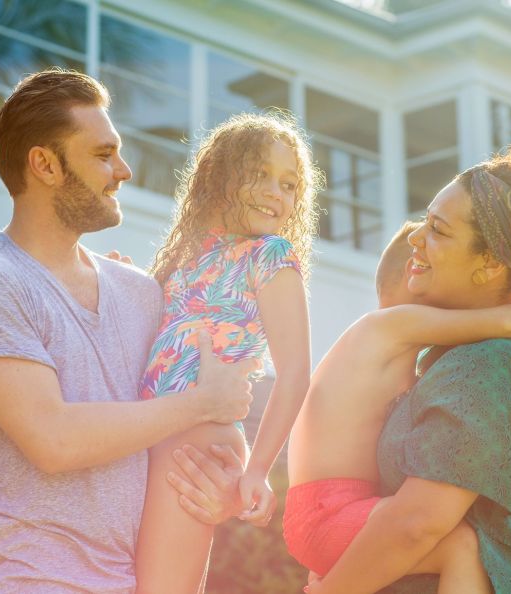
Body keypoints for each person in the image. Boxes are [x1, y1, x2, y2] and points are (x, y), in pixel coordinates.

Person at [0, 68, 258, 593]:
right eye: (103, 155)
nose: (124, 170)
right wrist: (204, 402)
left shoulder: (140, 293)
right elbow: (53, 439)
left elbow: (182, 430)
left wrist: (226, 487)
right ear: (44, 164)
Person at [303, 129, 511, 593]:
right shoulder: (462, 350)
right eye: (424, 220)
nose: (416, 237)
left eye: (438, 230)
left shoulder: (489, 368)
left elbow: (417, 523)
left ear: (490, 266)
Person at [283, 220, 511, 593]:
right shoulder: (388, 327)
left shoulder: (399, 353)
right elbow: (502, 322)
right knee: (463, 546)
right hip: (327, 513)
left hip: (326, 511)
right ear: (416, 277)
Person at [134, 111, 324, 594]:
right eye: (260, 174)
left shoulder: (271, 256)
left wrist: (257, 469)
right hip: (149, 435)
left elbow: (296, 372)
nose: (275, 193)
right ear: (220, 176)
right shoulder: (185, 259)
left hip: (198, 444)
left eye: (288, 185)